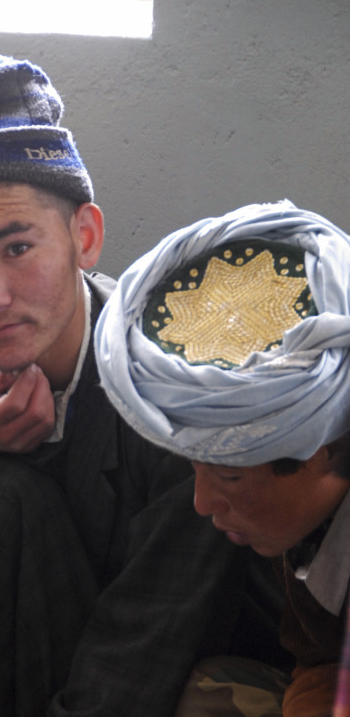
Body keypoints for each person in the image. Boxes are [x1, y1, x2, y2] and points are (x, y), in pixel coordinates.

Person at [0, 49, 288, 717]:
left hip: (137, 660)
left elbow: (148, 634)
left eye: (17, 247)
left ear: (85, 237)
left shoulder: (174, 393)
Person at [94, 199, 350, 716]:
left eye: (230, 475)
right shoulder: (309, 534)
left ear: (323, 445)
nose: (202, 503)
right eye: (196, 470)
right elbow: (319, 660)